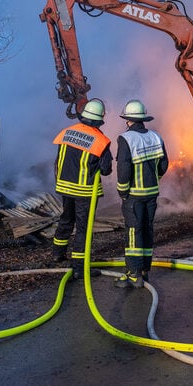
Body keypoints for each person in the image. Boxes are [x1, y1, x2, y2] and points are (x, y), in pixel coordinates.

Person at [51, 98, 113, 280]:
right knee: (83, 228)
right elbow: (106, 169)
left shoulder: (66, 132)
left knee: (66, 219)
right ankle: (79, 267)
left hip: (64, 186)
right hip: (84, 191)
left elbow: (59, 160)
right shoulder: (101, 141)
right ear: (99, 120)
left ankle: (57, 253)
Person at [114, 99, 168, 289]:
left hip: (134, 196)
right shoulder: (155, 136)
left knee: (133, 232)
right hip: (152, 194)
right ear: (143, 118)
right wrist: (155, 179)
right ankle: (145, 271)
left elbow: (124, 169)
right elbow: (163, 165)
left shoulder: (126, 139)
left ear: (128, 119)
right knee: (147, 229)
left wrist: (122, 190)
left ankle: (133, 274)